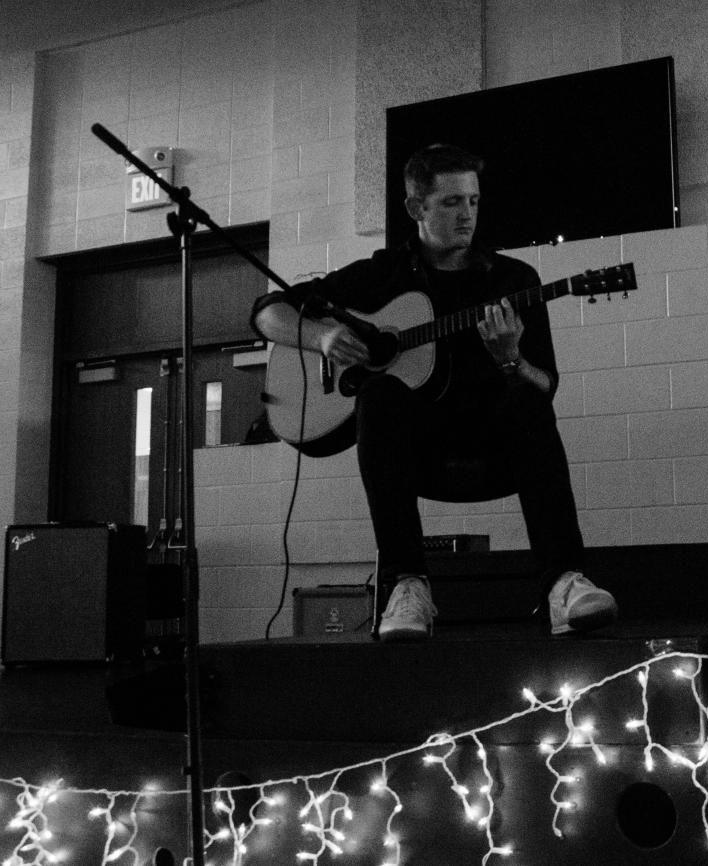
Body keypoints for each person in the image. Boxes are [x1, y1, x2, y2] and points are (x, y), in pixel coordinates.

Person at [252, 144, 618, 639]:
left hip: (493, 446)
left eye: (473, 201)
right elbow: (266, 311)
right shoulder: (380, 277)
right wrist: (322, 336)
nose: (467, 214)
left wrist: (510, 357)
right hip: (412, 453)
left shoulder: (513, 281)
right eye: (450, 203)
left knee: (527, 398)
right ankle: (407, 586)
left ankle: (564, 584)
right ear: (415, 208)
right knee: (380, 394)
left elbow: (545, 383)